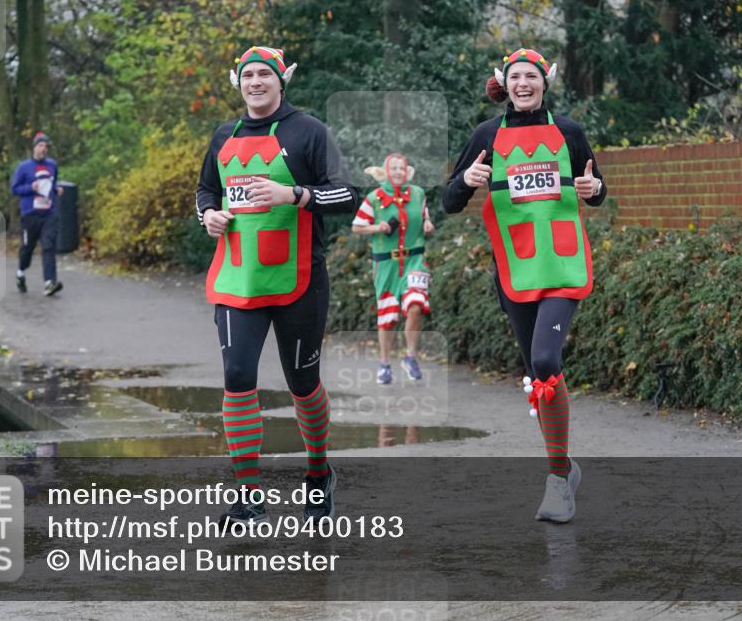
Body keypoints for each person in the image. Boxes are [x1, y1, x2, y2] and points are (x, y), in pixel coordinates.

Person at [195, 46, 358, 527]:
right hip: (237, 278)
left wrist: (296, 195)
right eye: (248, 76)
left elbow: (347, 193)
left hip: (299, 279)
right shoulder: (223, 135)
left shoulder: (309, 132)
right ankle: (247, 495)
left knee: (302, 384)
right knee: (238, 376)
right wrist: (208, 214)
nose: (256, 83)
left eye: (265, 74)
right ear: (238, 83)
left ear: (281, 80)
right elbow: (206, 189)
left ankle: (317, 473)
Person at [443, 47, 607, 523]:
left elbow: (597, 189)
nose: (523, 84)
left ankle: (557, 484)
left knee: (544, 360)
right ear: (505, 84)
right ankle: (563, 468)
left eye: (530, 77)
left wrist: (593, 190)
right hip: (514, 269)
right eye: (515, 77)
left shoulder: (569, 131)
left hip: (563, 265)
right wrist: (468, 180)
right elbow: (450, 201)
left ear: (544, 81)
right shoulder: (486, 136)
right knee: (540, 378)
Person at [351, 153, 435, 384]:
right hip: (386, 263)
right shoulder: (374, 198)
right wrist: (377, 227)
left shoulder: (418, 194)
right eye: (394, 168)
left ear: (407, 171)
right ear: (387, 172)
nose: (398, 172)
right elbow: (357, 227)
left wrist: (428, 223)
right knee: (388, 316)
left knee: (416, 305)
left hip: (415, 260)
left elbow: (425, 217)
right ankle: (385, 363)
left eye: (402, 168)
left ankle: (410, 357)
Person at [11, 132, 64, 296]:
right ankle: (20, 273)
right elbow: (14, 189)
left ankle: (49, 283)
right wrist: (30, 188)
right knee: (28, 248)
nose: (44, 149)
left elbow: (51, 184)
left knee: (49, 246)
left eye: (46, 147)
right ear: (34, 147)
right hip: (30, 214)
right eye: (41, 146)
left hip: (48, 213)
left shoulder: (52, 165)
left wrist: (57, 190)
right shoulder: (24, 167)